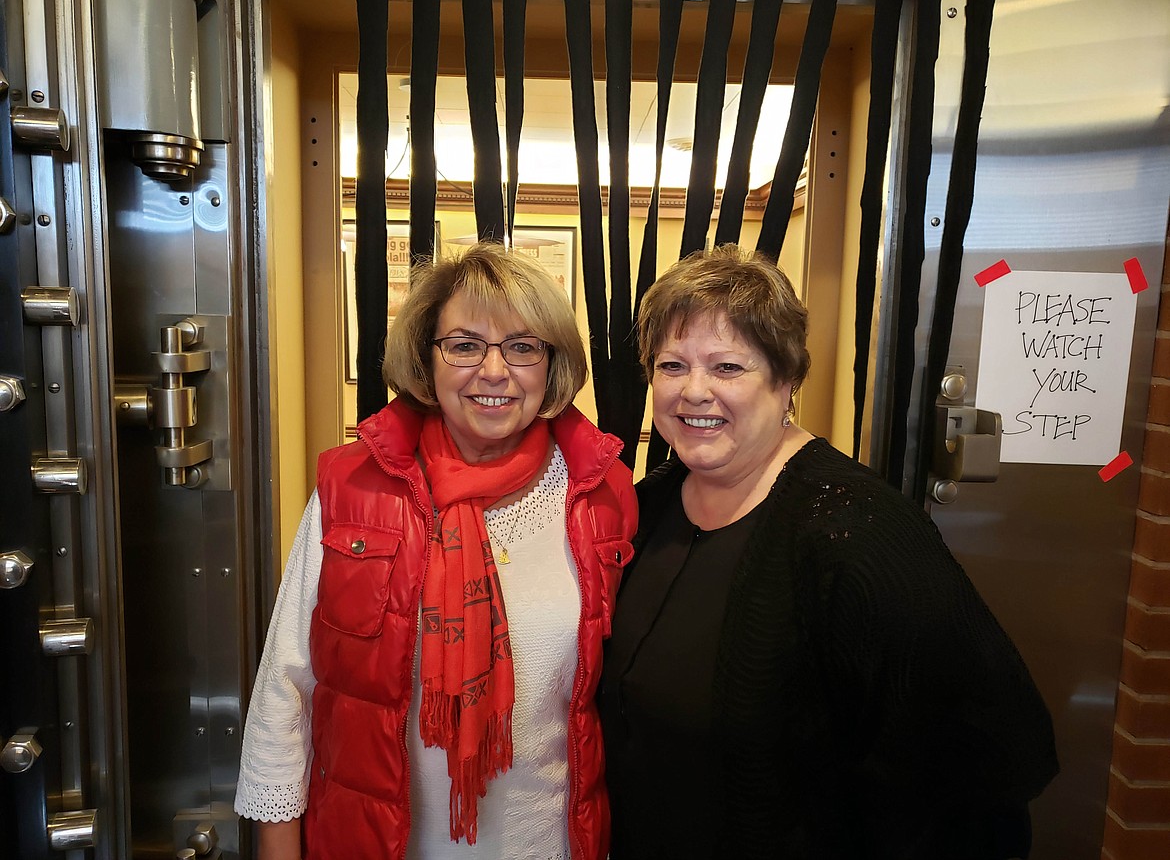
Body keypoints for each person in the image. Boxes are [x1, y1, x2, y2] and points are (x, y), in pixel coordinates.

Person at [599, 245, 1058, 859]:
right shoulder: (645, 510)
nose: (694, 391)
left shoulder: (860, 532)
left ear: (786, 380)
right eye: (671, 365)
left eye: (728, 367)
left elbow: (986, 765)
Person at [236, 242, 637, 860]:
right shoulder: (353, 491)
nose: (495, 372)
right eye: (465, 344)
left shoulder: (600, 494)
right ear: (428, 359)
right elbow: (284, 691)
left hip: (548, 844)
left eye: (523, 346)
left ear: (551, 364)